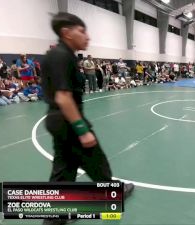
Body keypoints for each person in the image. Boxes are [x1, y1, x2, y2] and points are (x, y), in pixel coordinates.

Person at [41, 12, 134, 225]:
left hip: (57, 121)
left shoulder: (59, 55)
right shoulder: (62, 56)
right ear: (66, 32)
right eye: (82, 31)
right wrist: (82, 130)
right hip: (69, 122)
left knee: (64, 172)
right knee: (98, 166)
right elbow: (63, 97)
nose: (87, 36)